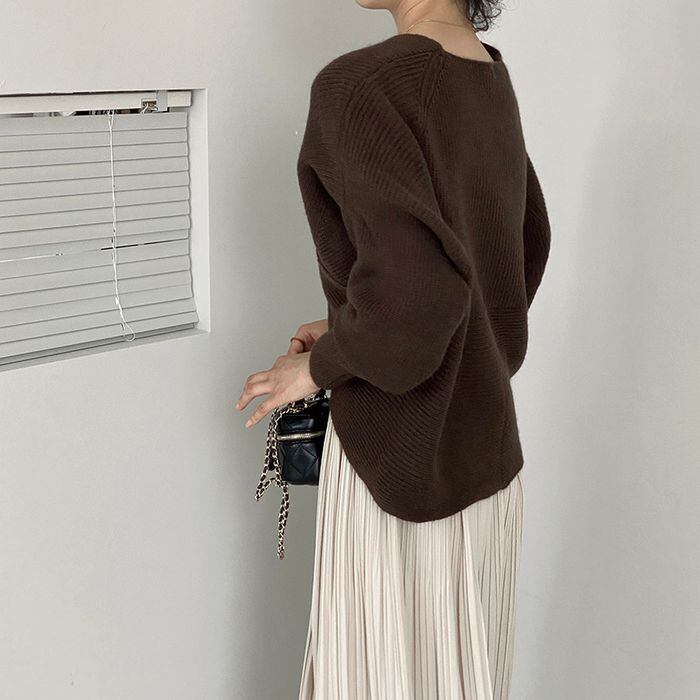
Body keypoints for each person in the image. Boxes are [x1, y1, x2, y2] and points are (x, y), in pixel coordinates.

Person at [237, 0, 551, 696]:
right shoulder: (484, 74)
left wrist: (318, 368)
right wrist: (353, 325)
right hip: (485, 458)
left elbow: (422, 297)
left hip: (401, 463)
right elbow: (508, 260)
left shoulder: (360, 86)